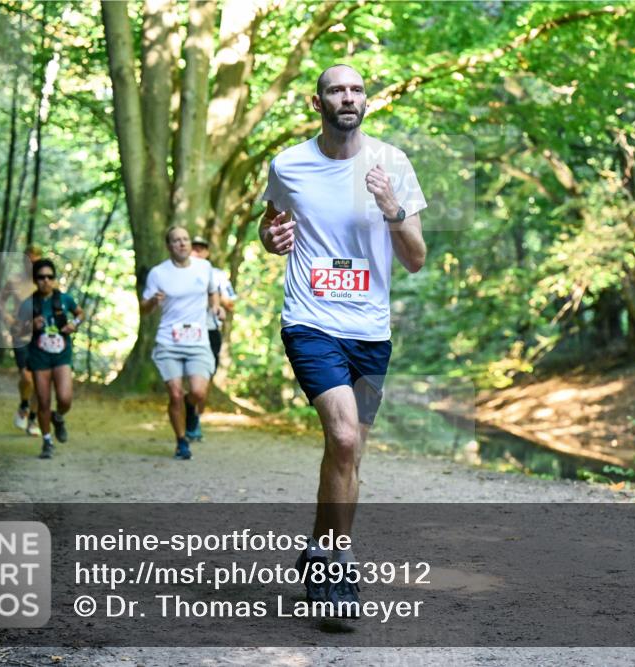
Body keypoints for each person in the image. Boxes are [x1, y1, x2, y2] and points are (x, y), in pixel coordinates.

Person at [259, 64, 426, 612]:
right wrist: (271, 237)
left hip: (370, 332)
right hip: (310, 322)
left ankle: (319, 546)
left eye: (356, 89)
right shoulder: (288, 165)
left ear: (367, 102)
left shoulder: (393, 163)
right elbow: (271, 225)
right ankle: (338, 570)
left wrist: (391, 209)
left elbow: (416, 259)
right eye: (336, 89)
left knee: (347, 451)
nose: (347, 97)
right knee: (346, 438)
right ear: (318, 102)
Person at [141, 227, 221, 460]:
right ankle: (181, 441)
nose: (182, 244)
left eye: (185, 239)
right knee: (175, 393)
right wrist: (152, 302)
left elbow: (212, 292)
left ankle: (190, 406)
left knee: (197, 392)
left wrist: (215, 306)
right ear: (169, 246)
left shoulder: (204, 267)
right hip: (169, 340)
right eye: (176, 241)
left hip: (198, 340)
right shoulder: (158, 273)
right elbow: (143, 309)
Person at [16, 258, 84, 459]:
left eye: (49, 277)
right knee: (43, 401)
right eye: (41, 277)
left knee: (65, 398)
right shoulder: (28, 304)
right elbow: (17, 330)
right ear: (35, 280)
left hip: (62, 356)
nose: (46, 281)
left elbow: (80, 313)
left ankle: (59, 417)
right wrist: (30, 326)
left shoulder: (65, 299)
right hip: (39, 358)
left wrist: (74, 324)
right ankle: (47, 441)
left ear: (54, 279)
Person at [185, 235, 237, 441]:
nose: (197, 251)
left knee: (203, 384)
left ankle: (194, 415)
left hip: (210, 331)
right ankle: (188, 422)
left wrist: (213, 298)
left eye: (201, 248)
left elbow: (231, 303)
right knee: (190, 380)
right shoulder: (178, 272)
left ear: (207, 252)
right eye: (194, 247)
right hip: (186, 332)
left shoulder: (217, 275)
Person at [0, 244, 42, 436]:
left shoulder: (47, 283)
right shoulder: (14, 282)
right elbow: (0, 302)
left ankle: (32, 419)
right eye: (28, 261)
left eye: (35, 261)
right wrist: (7, 317)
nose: (31, 265)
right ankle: (24, 406)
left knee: (40, 381)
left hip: (40, 336)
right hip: (20, 334)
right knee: (27, 377)